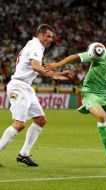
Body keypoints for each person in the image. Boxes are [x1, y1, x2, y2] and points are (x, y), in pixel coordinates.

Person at [47, 34, 106, 169]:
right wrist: (57, 65)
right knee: (101, 116)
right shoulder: (99, 52)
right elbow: (76, 56)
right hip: (90, 93)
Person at [0, 24, 74, 166]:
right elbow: (35, 66)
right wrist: (56, 75)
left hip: (27, 87)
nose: (50, 39)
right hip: (18, 87)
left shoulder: (36, 46)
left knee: (40, 120)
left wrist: (57, 71)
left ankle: (23, 154)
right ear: (40, 35)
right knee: (19, 124)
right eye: (48, 36)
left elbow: (37, 65)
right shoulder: (35, 46)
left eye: (52, 37)